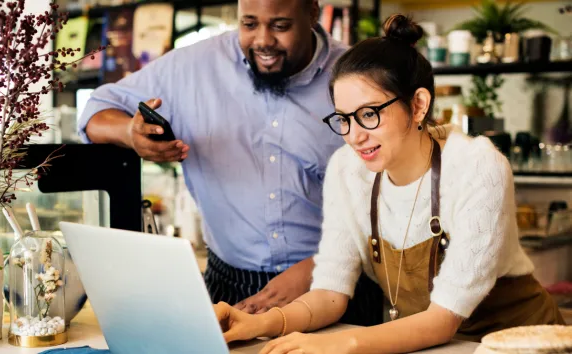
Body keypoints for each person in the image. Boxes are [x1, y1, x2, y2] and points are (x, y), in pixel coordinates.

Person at [213, 14, 566, 353]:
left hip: (521, 344)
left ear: (418, 105)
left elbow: (442, 319)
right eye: (344, 119)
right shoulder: (347, 170)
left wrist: (340, 344)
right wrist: (260, 323)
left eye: (369, 114)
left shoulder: (477, 167)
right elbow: (331, 293)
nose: (354, 136)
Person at [78, 0, 348, 313]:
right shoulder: (191, 68)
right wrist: (130, 133)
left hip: (337, 280)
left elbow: (398, 195)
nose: (262, 40)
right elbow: (95, 112)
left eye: (280, 26)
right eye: (249, 24)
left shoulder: (356, 74)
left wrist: (319, 266)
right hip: (231, 288)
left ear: (312, 13)